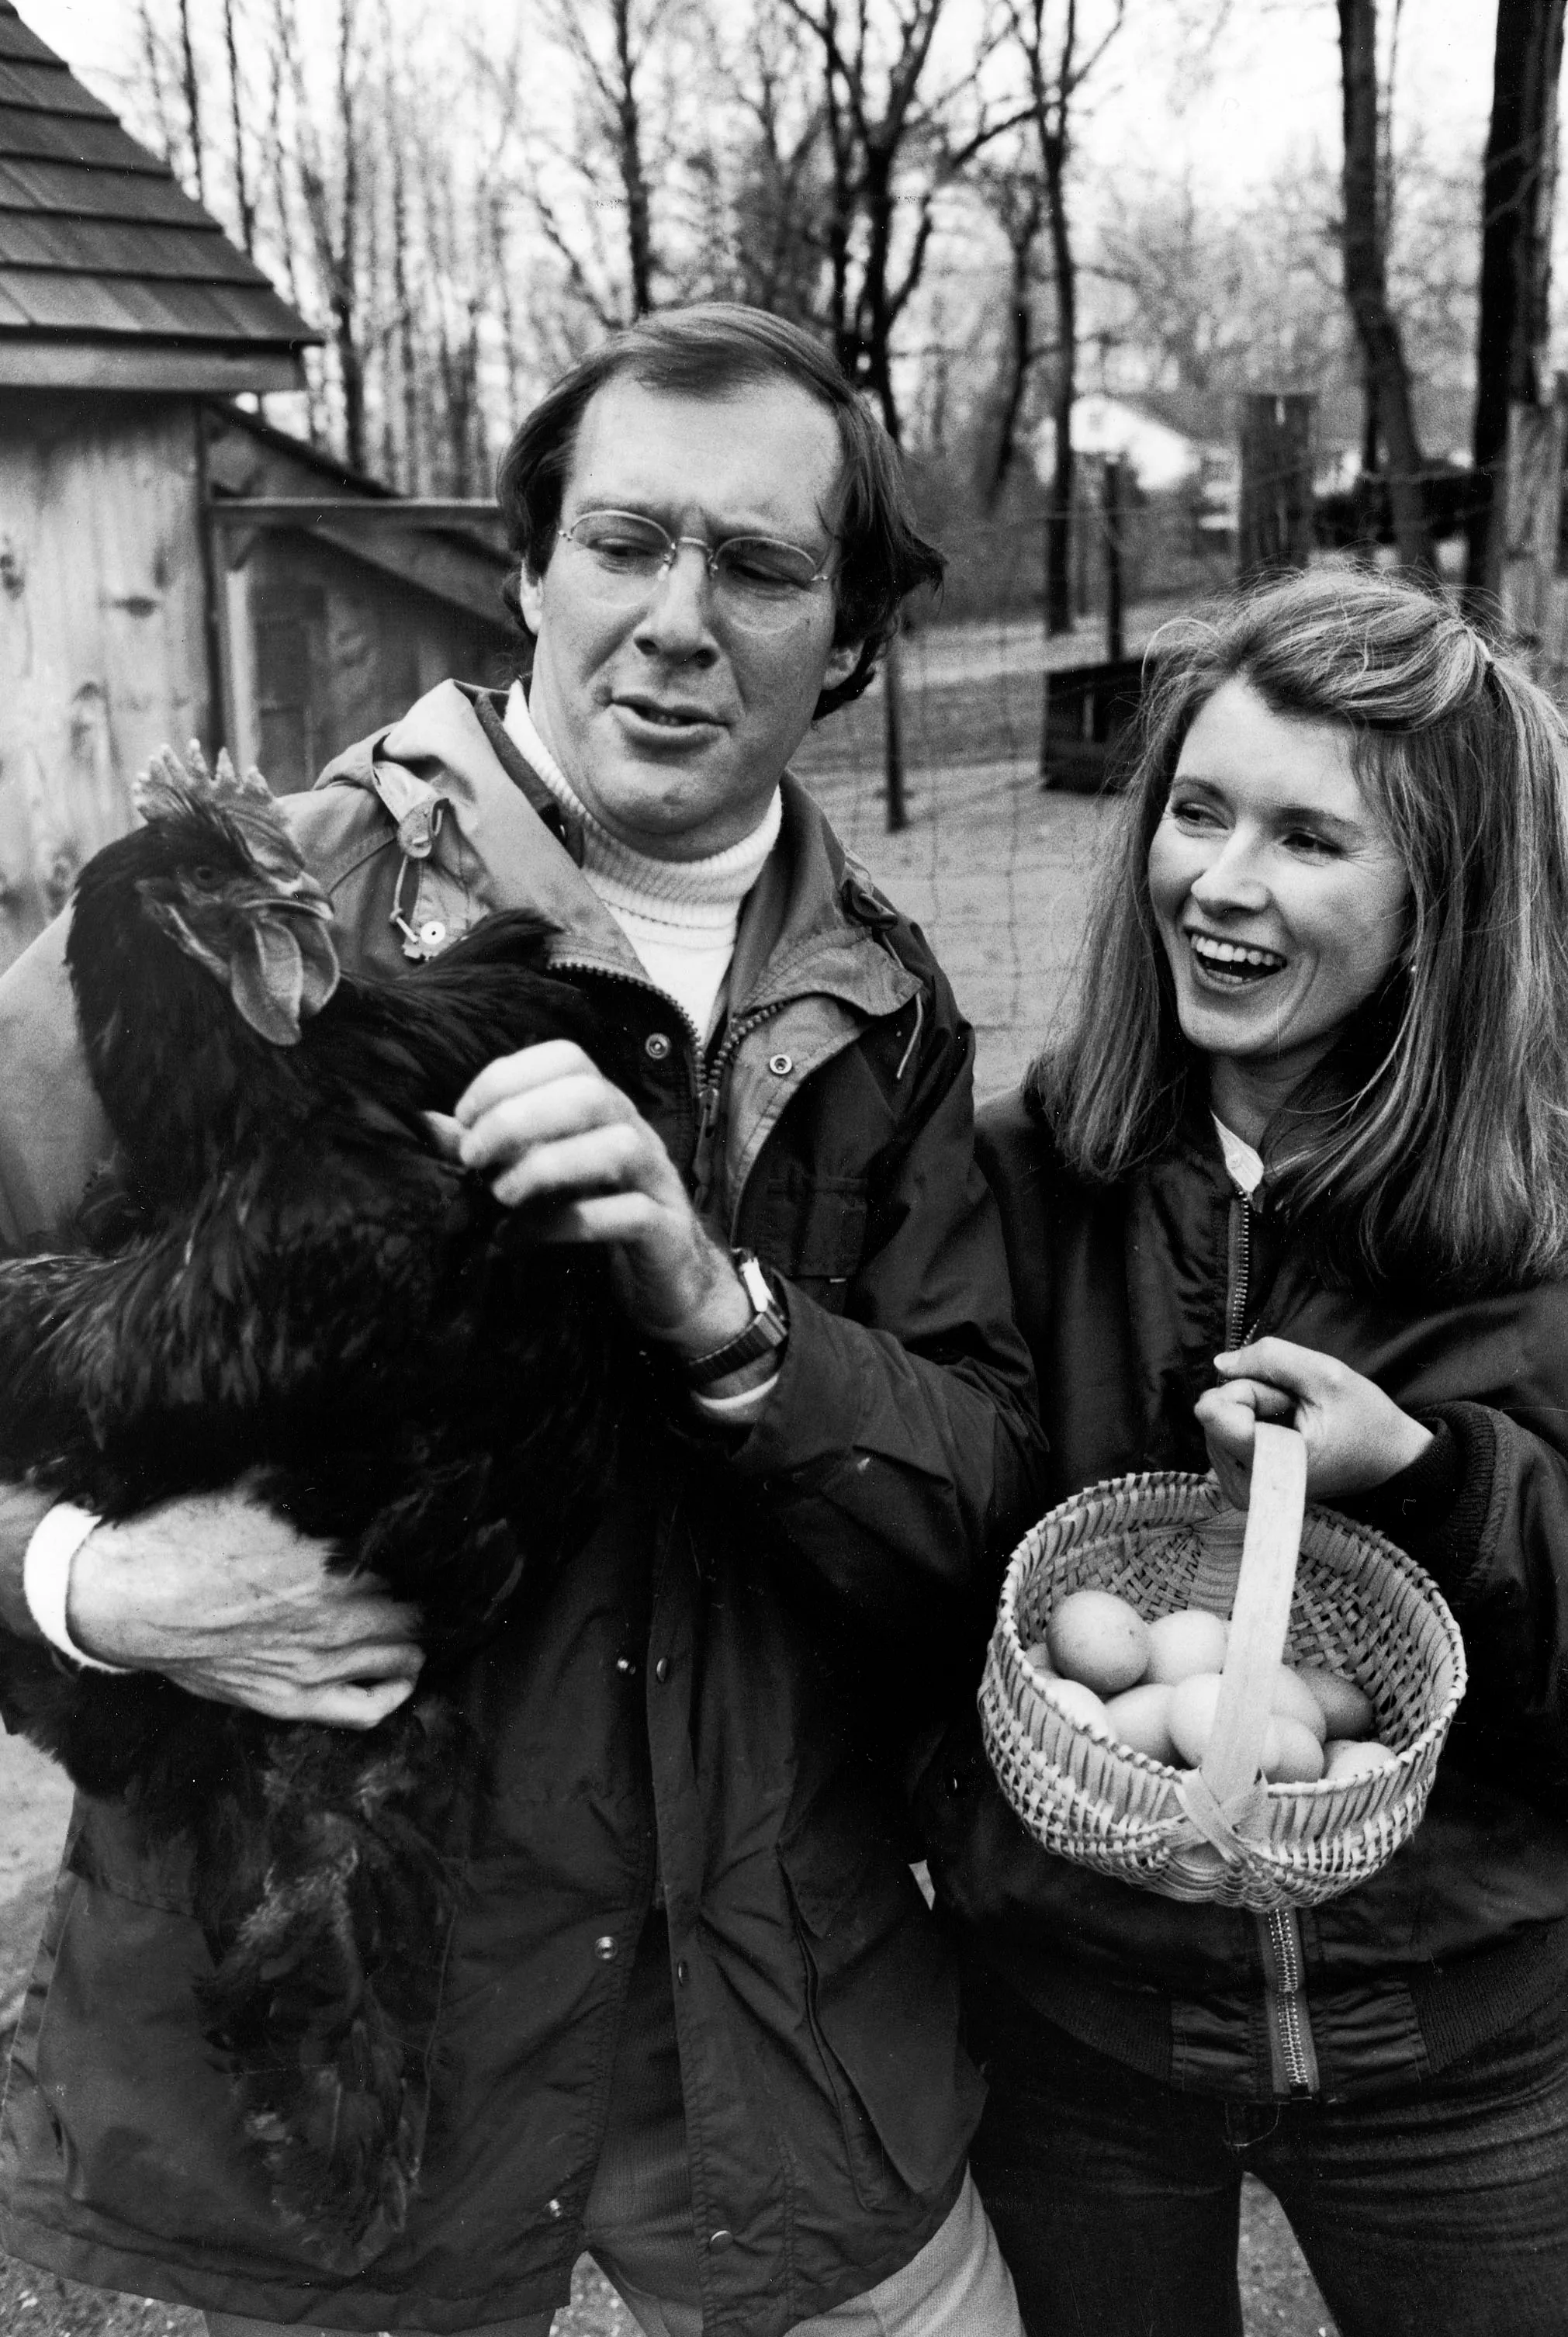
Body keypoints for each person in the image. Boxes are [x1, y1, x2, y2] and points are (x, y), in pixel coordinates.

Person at [0, 304, 1044, 2337]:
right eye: (624, 541)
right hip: (332, 2021)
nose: (674, 616)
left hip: (771, 2034)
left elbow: (976, 1492)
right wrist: (91, 1585)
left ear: (844, 633)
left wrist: (731, 1316)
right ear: (526, 564)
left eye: (755, 564)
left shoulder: (883, 1007)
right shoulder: (200, 921)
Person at [917, 568, 1568, 2337]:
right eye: (1196, 812)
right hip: (1075, 2046)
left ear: (1440, 901)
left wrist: (1433, 1480)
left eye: (1305, 838)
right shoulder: (1005, 1185)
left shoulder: (1540, 1228)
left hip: (1465, 2051)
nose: (1219, 884)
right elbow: (895, 1554)